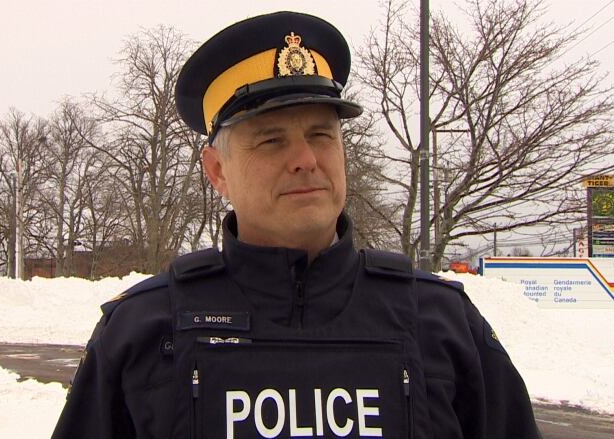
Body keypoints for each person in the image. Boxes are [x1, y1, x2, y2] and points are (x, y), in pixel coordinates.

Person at [52, 11, 541, 439]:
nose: (305, 159)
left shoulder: (442, 324)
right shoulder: (142, 332)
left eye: (320, 135)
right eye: (271, 141)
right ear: (217, 171)